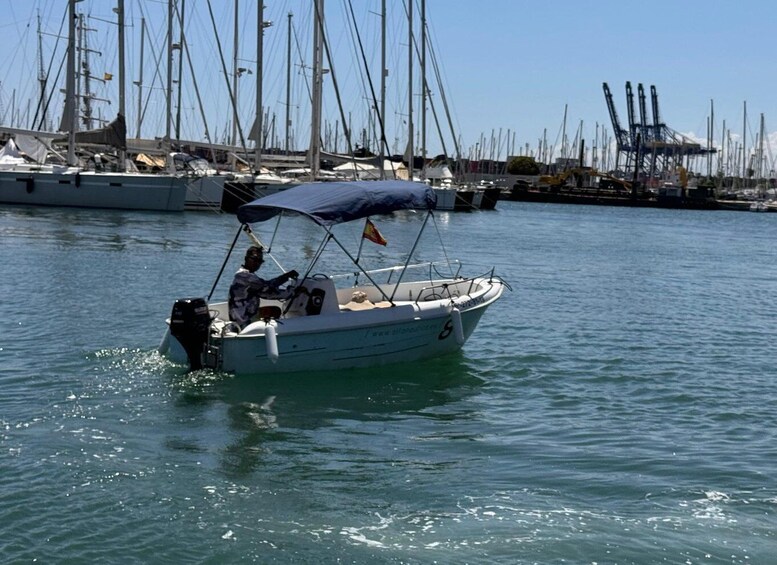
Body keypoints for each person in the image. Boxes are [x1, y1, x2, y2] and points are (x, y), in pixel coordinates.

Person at [228, 246, 299, 329]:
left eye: (259, 261)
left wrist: (286, 278)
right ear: (246, 258)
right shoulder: (244, 276)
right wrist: (292, 291)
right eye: (254, 260)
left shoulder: (245, 275)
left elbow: (264, 289)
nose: (257, 263)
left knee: (275, 311)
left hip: (242, 316)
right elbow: (267, 290)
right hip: (243, 321)